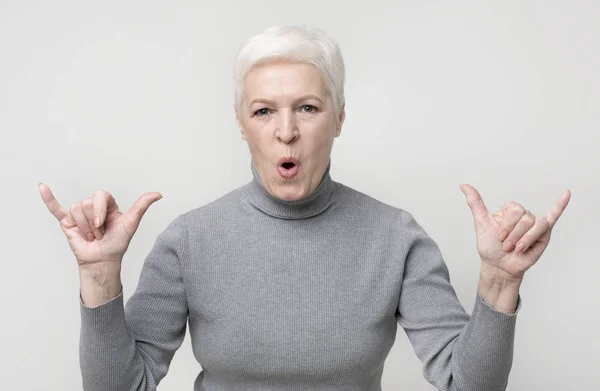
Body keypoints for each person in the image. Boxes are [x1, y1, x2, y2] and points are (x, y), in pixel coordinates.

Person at [39, 25, 571, 391]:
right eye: (264, 110)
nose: (286, 131)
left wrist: (500, 283)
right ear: (241, 122)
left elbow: (466, 383)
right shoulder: (189, 242)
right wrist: (100, 275)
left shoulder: (396, 238)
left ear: (339, 118)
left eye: (308, 108)